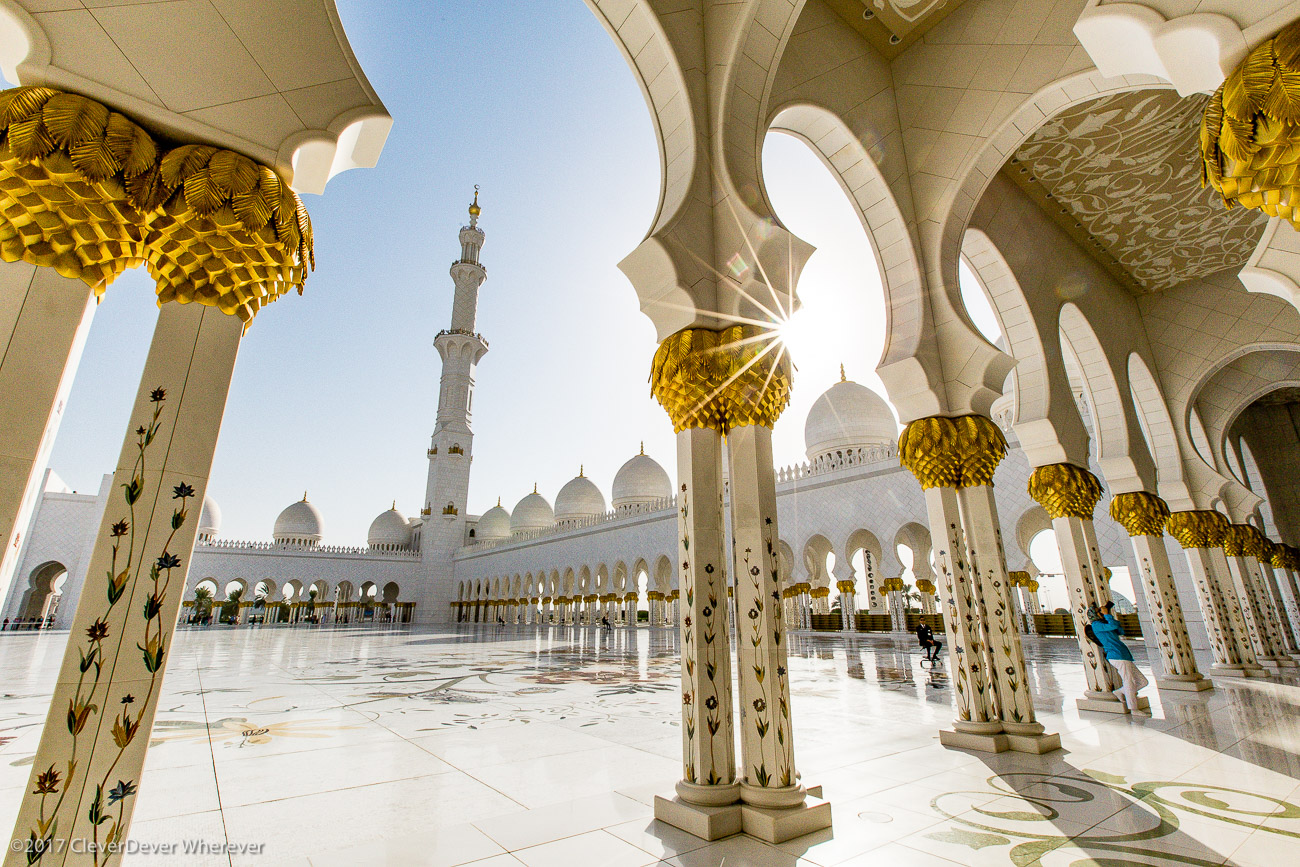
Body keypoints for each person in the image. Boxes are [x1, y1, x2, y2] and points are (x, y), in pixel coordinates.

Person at [1088, 602, 1148, 713]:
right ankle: (1133, 709)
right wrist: (1107, 615)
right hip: (1116, 655)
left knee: (1143, 681)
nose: (1101, 612)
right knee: (1129, 681)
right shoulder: (1096, 625)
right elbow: (1114, 626)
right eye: (1098, 611)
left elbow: (1120, 630)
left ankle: (1120, 692)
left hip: (1123, 654)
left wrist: (1108, 615)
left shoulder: (1105, 623)